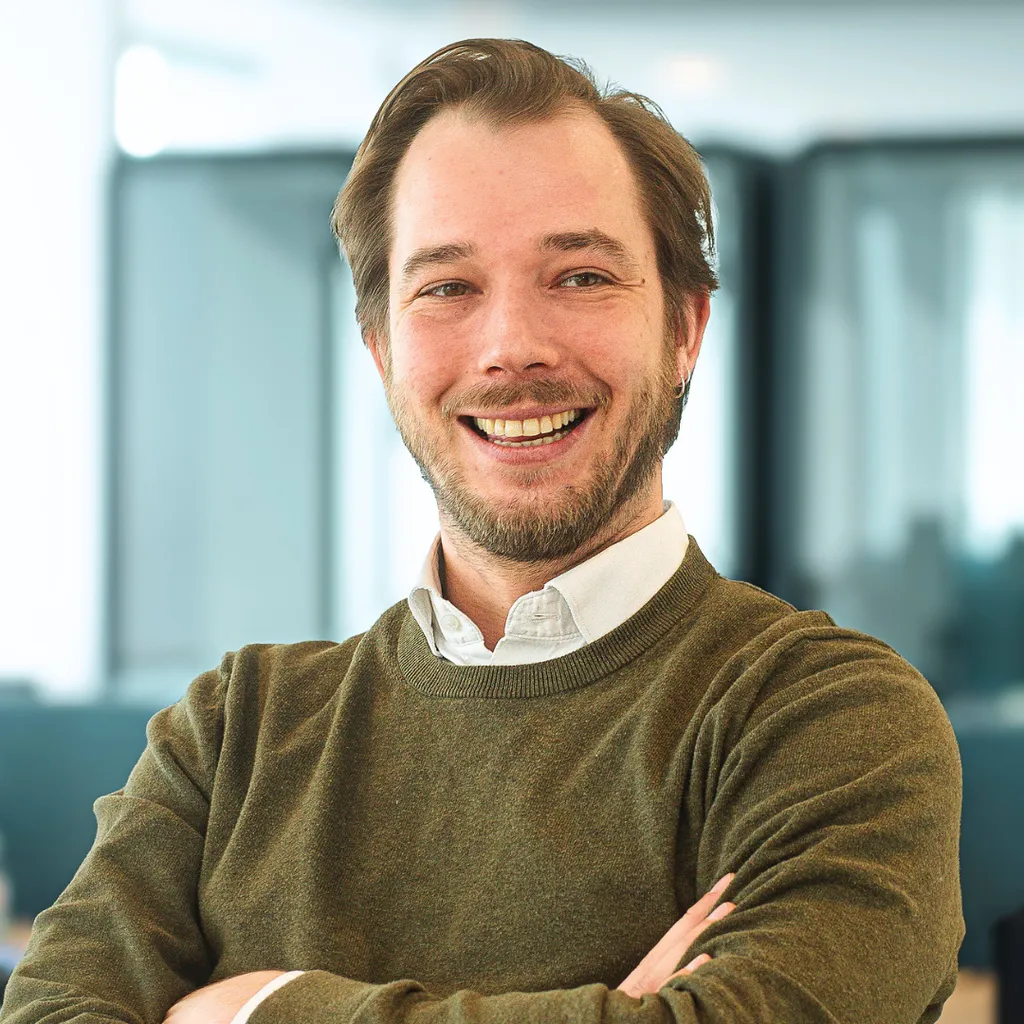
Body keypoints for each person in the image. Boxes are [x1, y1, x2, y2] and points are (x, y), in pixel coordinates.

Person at [0, 38, 964, 1024]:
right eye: (447, 287)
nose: (512, 347)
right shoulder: (233, 733)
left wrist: (256, 1007)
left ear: (684, 326)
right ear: (381, 351)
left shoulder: (823, 723)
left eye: (580, 275)